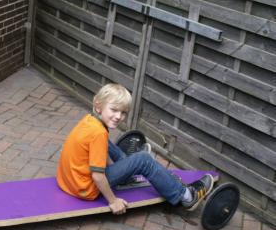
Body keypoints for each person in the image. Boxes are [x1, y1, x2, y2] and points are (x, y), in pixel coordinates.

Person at [56, 83, 214, 215]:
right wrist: (113, 201)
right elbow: (98, 177)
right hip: (85, 188)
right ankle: (186, 196)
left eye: (123, 112)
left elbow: (101, 149)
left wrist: (119, 167)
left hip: (69, 182)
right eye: (114, 110)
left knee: (109, 144)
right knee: (144, 160)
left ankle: (130, 165)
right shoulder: (98, 133)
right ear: (98, 107)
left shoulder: (90, 121)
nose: (119, 116)